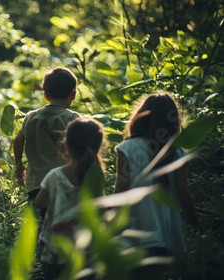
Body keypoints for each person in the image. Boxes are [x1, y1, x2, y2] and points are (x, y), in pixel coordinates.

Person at [114, 92, 199, 259]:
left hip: (135, 230)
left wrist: (113, 226)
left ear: (141, 117)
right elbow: (184, 195)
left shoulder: (128, 148)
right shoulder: (178, 153)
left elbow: (120, 191)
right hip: (166, 232)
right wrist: (197, 224)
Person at [34, 118, 105, 279]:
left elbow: (39, 202)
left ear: (67, 145)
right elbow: (100, 209)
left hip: (55, 251)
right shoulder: (96, 176)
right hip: (86, 251)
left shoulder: (55, 175)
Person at [14, 67, 80, 219]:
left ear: (45, 94)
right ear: (73, 94)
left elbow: (18, 139)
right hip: (65, 184)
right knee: (63, 226)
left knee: (39, 224)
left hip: (36, 184)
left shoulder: (31, 117)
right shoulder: (73, 119)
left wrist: (19, 165)